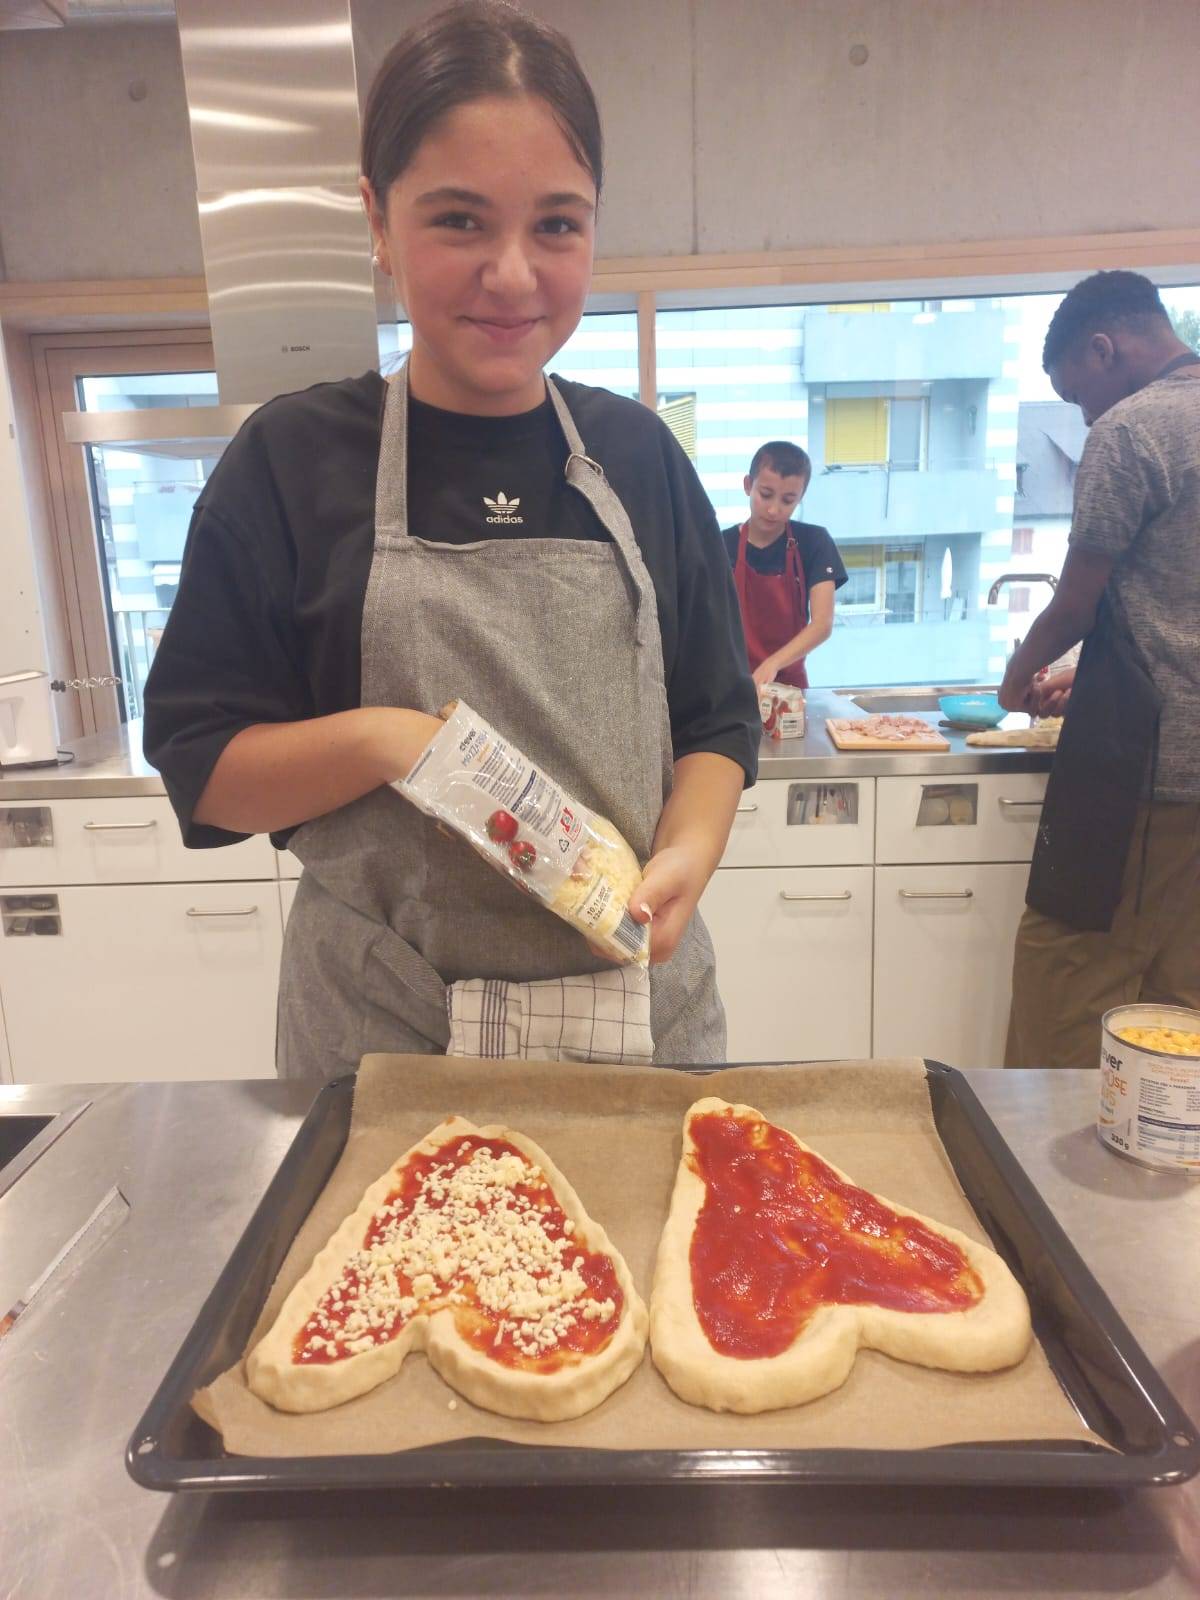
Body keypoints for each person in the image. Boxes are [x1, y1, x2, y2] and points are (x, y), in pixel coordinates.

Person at [142, 1, 759, 1079]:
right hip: (385, 1034)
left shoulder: (640, 456)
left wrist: (689, 853)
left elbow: (715, 721)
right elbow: (204, 767)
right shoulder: (291, 463)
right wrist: (397, 744)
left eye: (557, 225)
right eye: (461, 220)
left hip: (637, 1023)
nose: (513, 275)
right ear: (379, 223)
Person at [999, 270, 1200, 1068]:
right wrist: (1094, 674)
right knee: (1178, 1011)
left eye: (1077, 392)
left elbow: (1075, 605)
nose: (1085, 415)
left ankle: (1037, 1155)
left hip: (1142, 778)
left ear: (1104, 348)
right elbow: (1175, 603)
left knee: (1063, 997)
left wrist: (1017, 676)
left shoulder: (1133, 431)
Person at [721, 441, 847, 690]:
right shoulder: (720, 547)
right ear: (748, 485)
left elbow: (822, 624)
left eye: (788, 500)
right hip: (733, 688)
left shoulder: (814, 542)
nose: (773, 509)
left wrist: (773, 664)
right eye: (765, 495)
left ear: (800, 497)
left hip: (790, 690)